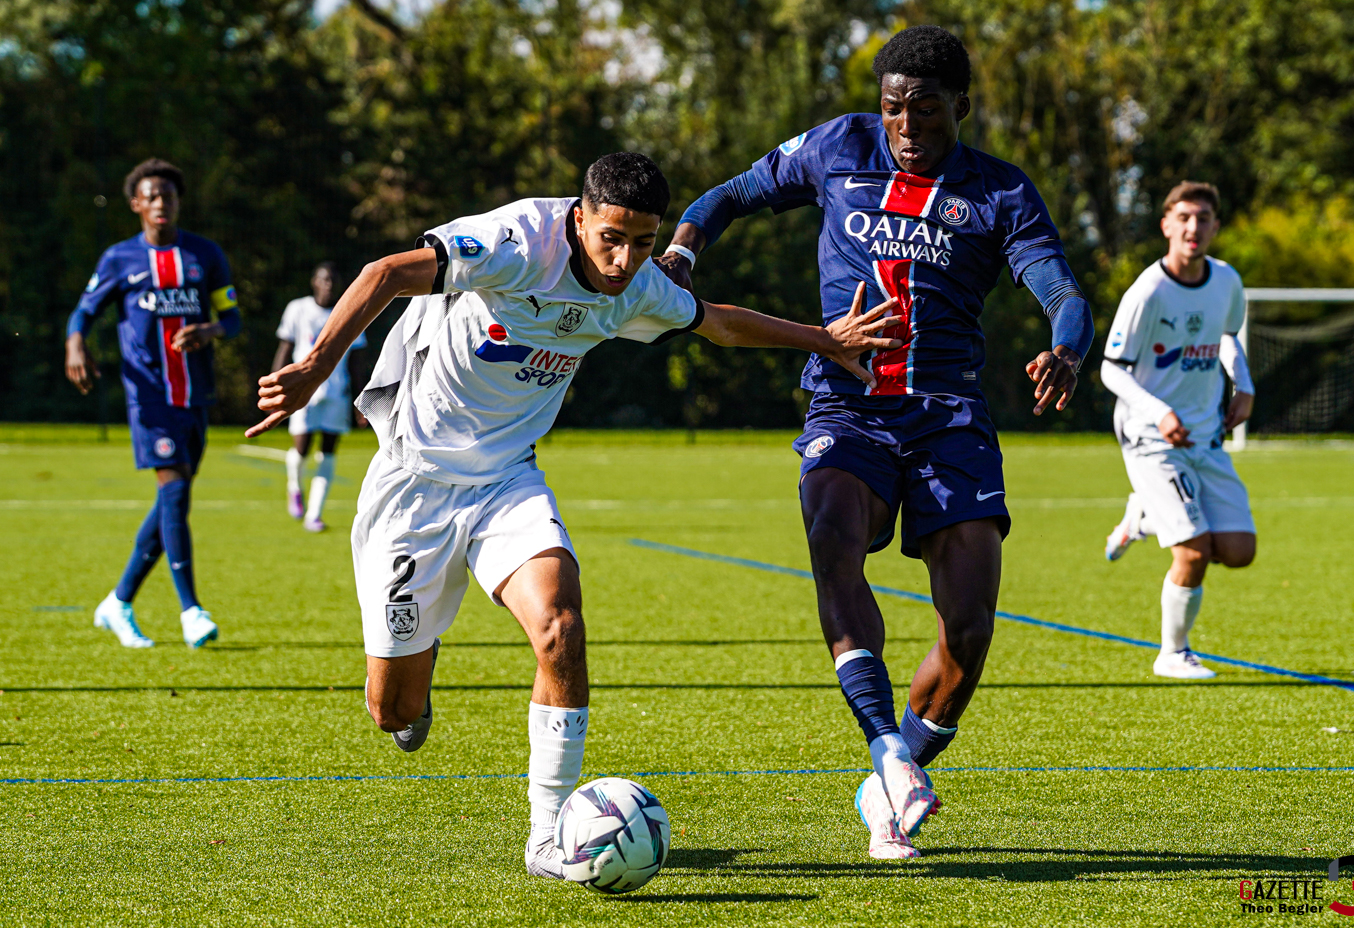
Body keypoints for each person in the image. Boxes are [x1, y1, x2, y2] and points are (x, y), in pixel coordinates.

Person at [244, 152, 894, 878]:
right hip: (413, 483)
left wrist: (824, 339)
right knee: (392, 710)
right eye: (611, 237)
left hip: (506, 483)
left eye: (642, 242)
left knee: (561, 625)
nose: (623, 260)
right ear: (579, 218)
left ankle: (547, 836)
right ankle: (413, 689)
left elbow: (718, 324)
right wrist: (315, 369)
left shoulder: (637, 288)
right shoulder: (516, 243)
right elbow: (388, 274)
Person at [658, 26, 1094, 859]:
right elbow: (729, 196)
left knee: (967, 630)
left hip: (948, 417)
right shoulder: (836, 145)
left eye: (925, 111)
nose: (905, 126)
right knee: (832, 535)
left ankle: (891, 779)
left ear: (960, 108)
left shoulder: (999, 191)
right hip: (846, 406)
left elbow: (1059, 287)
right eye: (894, 108)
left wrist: (1065, 348)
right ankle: (886, 751)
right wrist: (681, 251)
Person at [66, 158, 240, 649]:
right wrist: (75, 342)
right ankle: (191, 610)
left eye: (169, 195)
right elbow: (83, 311)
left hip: (195, 395)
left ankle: (118, 602)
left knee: (172, 499)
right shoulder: (119, 258)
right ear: (136, 204)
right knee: (176, 494)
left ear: (178, 202)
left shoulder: (204, 255)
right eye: (152, 195)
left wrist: (208, 329)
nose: (161, 202)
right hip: (149, 398)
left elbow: (232, 317)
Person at [1100, 181, 1256, 679]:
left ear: (1215, 226)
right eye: (1184, 217)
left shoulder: (1227, 281)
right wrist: (1159, 412)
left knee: (1238, 551)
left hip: (1205, 432)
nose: (1194, 227)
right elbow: (1111, 369)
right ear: (1166, 224)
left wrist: (1244, 383)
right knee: (1194, 550)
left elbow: (1227, 337)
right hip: (1150, 437)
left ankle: (1142, 516)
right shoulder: (1148, 291)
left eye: (1204, 218)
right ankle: (1173, 653)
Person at [272, 263, 367, 532]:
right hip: (304, 390)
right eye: (324, 280)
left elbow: (356, 364)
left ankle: (314, 514)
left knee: (328, 452)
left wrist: (361, 403)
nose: (329, 285)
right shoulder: (298, 309)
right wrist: (276, 388)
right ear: (314, 282)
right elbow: (285, 348)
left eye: (334, 281)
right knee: (301, 449)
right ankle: (294, 486)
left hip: (336, 393)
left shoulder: (352, 311)